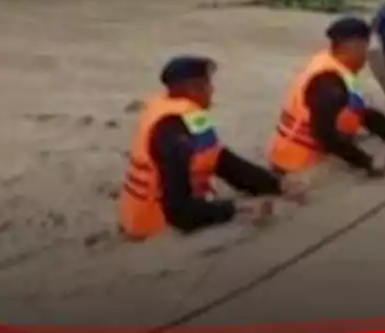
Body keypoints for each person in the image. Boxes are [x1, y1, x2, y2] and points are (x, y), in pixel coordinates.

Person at [119, 56, 305, 240]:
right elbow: (178, 212)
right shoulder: (172, 132)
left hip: (182, 208)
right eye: (207, 84)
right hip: (156, 225)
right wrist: (236, 209)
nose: (212, 90)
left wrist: (276, 185)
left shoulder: (189, 117)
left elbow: (224, 163)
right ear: (192, 89)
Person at [269, 17, 385, 177]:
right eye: (365, 47)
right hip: (301, 162)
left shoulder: (333, 62)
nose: (367, 55)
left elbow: (359, 111)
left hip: (303, 150)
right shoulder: (329, 85)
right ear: (354, 46)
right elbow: (325, 136)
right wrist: (367, 162)